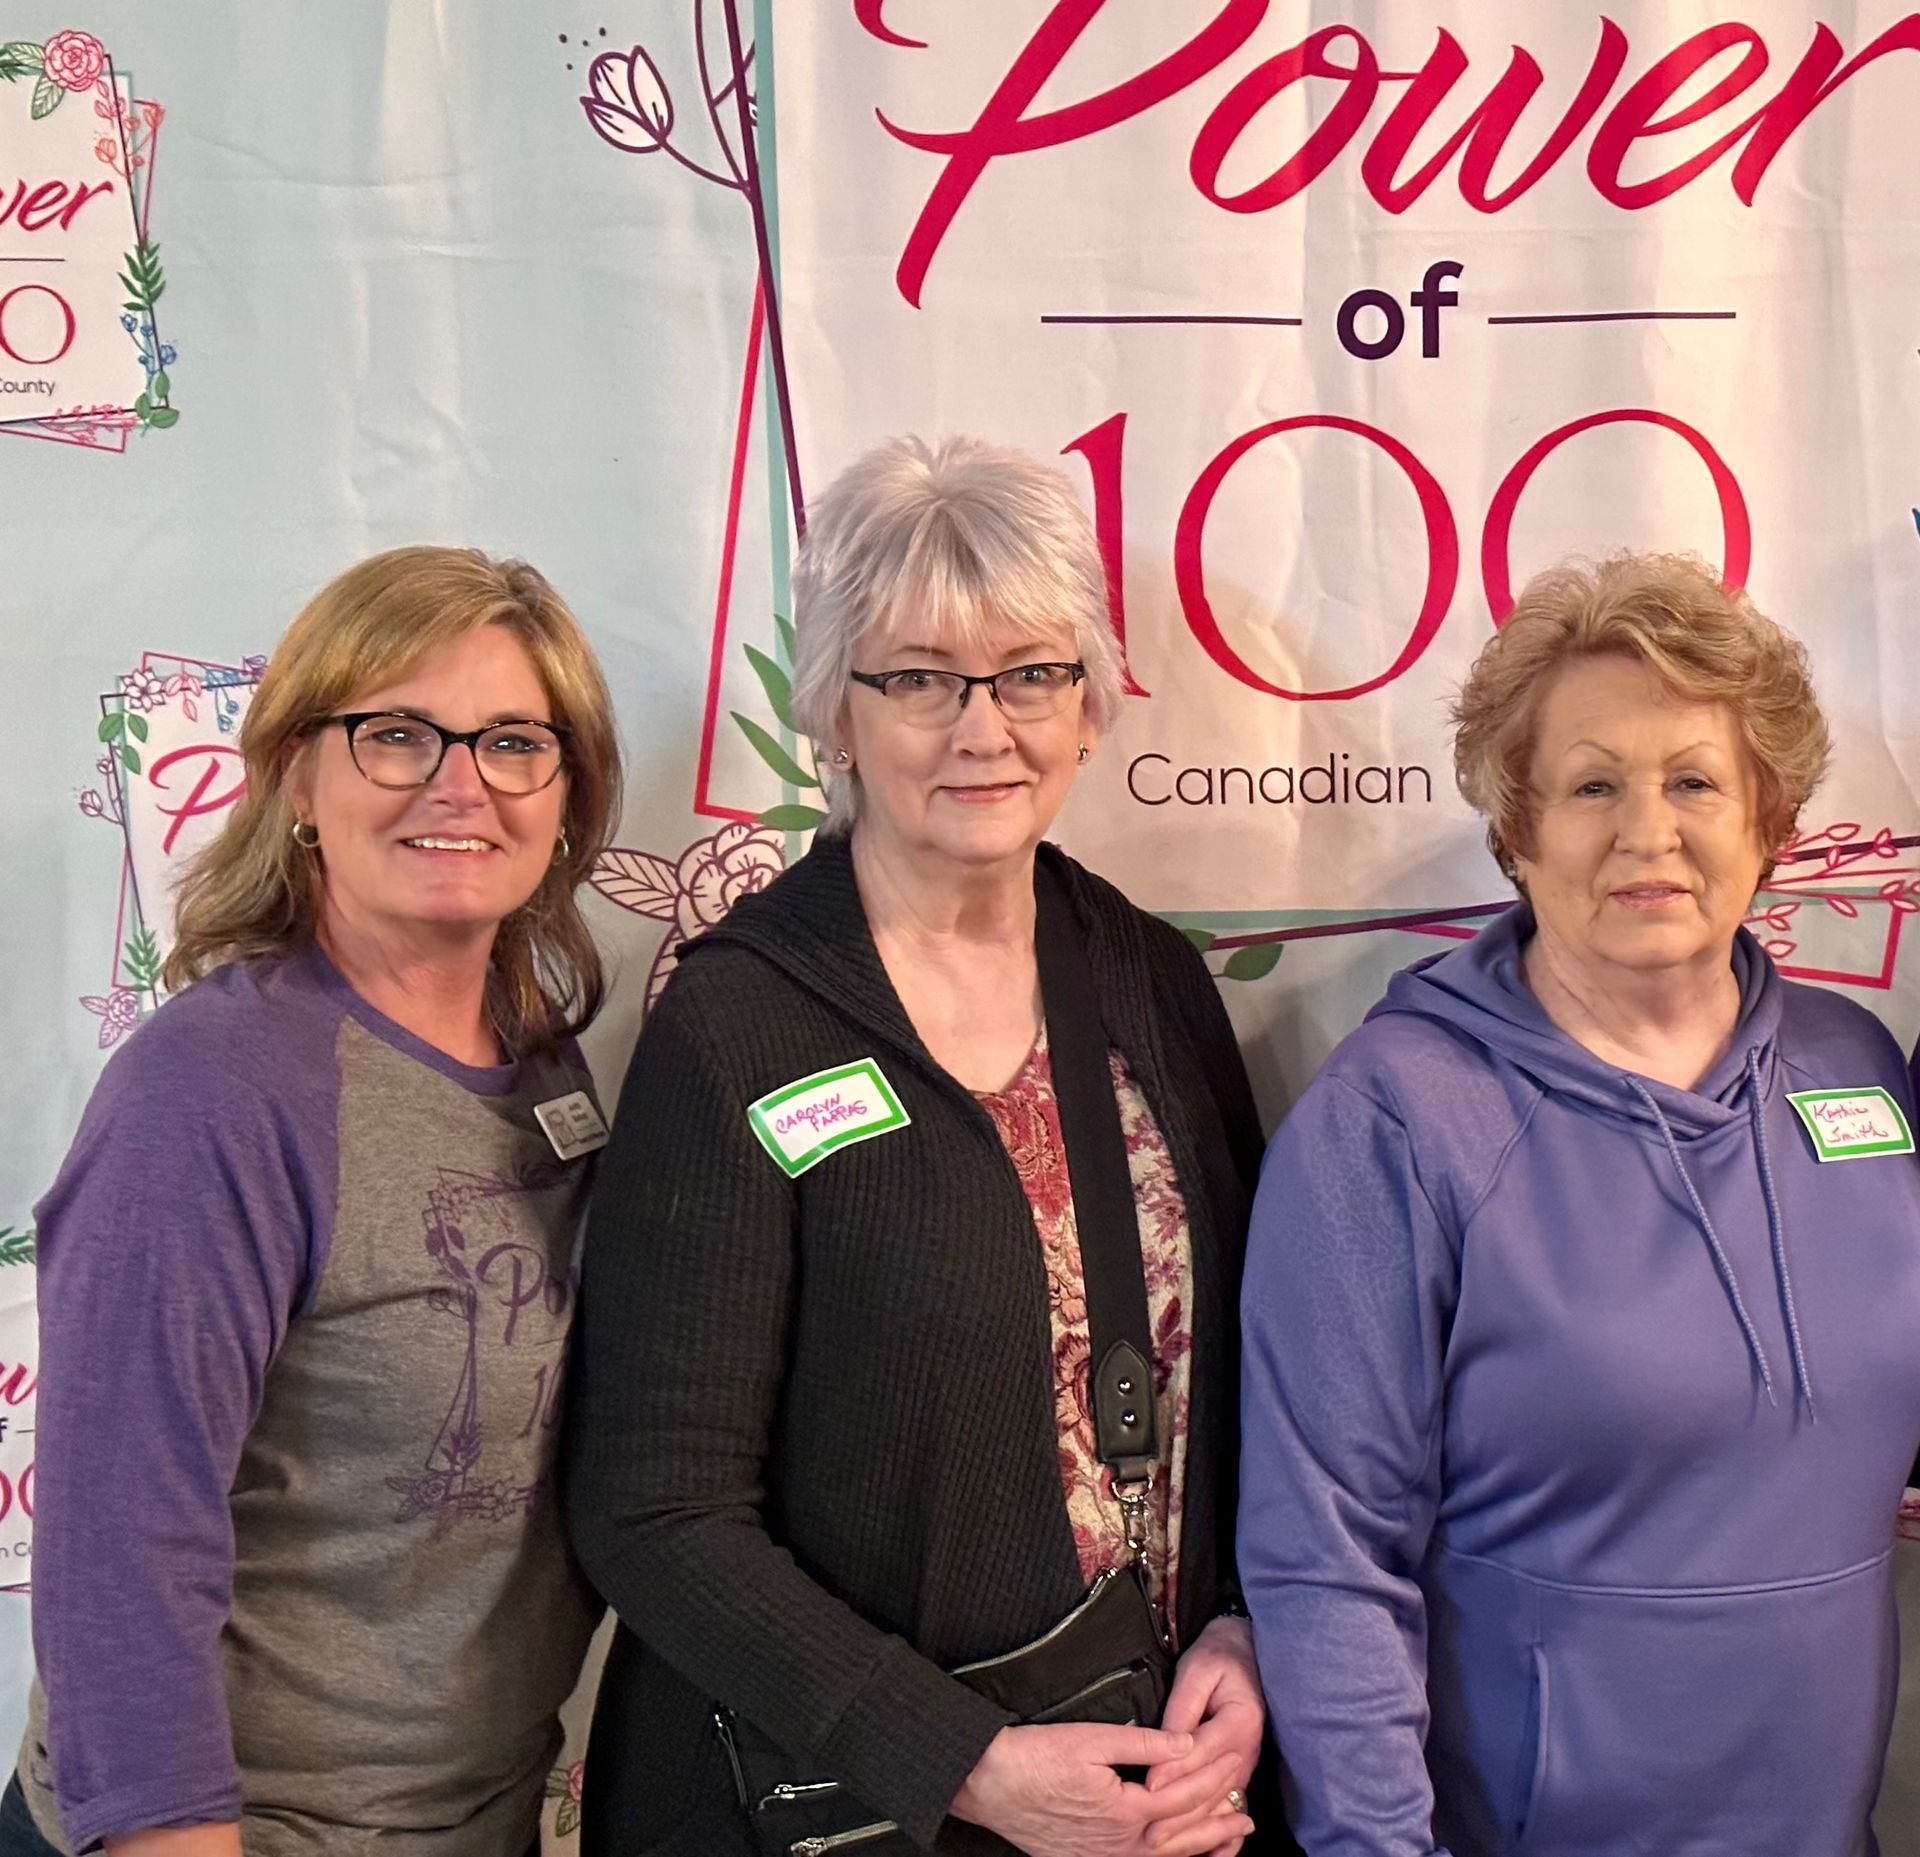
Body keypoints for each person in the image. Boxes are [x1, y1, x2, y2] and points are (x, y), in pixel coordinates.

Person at [565, 435, 1268, 1856]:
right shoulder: (742, 1025)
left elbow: (1249, 1384)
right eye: (922, 679)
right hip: (843, 1811)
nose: (983, 728)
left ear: (1088, 704)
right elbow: (653, 1510)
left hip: (1152, 1787)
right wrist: (968, 1765)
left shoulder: (1150, 982)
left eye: (1029, 674)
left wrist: (1246, 1631)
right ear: (836, 709)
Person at [1238, 551, 1920, 1857]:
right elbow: (1326, 1558)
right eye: (1594, 784)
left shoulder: (1859, 1069)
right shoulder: (1397, 1118)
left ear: (1770, 820)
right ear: (1519, 828)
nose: (1646, 832)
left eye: (1695, 782)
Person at [4, 547, 622, 1855]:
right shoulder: (213, 1093)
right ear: (298, 774)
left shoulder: (543, 1067)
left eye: (514, 741)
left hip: (472, 1820)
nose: (461, 782)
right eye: (397, 734)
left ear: (565, 792)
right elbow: (121, 1552)